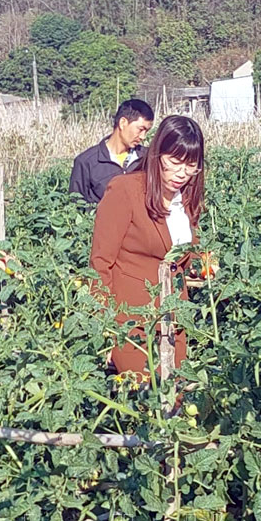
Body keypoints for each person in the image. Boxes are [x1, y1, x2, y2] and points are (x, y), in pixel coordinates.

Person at [90, 115, 205, 378]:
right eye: (174, 162)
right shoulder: (125, 190)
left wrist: (202, 264)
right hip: (131, 325)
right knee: (144, 397)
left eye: (191, 166)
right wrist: (105, 329)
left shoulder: (184, 199)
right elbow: (100, 264)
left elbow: (182, 256)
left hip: (173, 322)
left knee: (174, 402)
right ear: (157, 155)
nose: (182, 174)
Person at [69, 99, 154, 204]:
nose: (143, 137)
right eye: (140, 129)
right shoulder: (86, 162)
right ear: (123, 123)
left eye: (146, 131)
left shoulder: (147, 158)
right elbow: (76, 205)